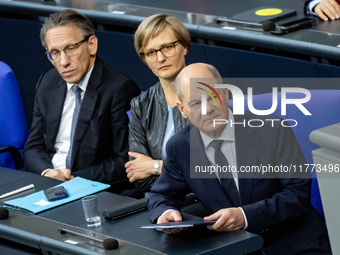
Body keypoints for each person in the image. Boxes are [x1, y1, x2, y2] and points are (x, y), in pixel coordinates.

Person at [148, 63, 331, 254]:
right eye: (195, 103)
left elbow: (297, 195)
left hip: (294, 243)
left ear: (226, 94)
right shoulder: (180, 147)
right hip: (236, 248)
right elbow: (162, 195)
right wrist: (165, 213)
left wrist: (245, 216)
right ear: (182, 110)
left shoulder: (273, 129)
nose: (207, 109)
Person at [23, 9, 140, 184]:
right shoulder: (47, 82)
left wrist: (73, 181)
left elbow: (123, 160)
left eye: (70, 49)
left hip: (90, 186)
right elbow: (33, 146)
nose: (63, 62)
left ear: (92, 44)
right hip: (48, 181)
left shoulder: (119, 89)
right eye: (55, 53)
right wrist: (47, 173)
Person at [125, 14, 190, 193]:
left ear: (184, 46)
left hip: (204, 204)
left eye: (167, 47)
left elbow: (210, 172)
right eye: (151, 52)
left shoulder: (206, 95)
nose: (160, 58)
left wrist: (155, 166)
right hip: (158, 201)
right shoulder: (140, 105)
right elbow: (139, 177)